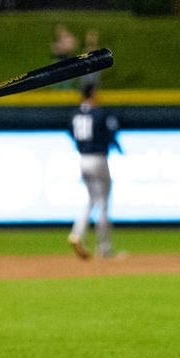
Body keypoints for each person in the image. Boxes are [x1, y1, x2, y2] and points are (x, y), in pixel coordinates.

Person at [67, 84, 122, 260]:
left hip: (82, 159)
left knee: (91, 200)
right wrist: (118, 148)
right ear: (92, 94)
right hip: (98, 158)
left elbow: (71, 133)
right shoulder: (99, 113)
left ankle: (76, 233)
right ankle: (104, 248)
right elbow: (110, 135)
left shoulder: (74, 114)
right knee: (104, 203)